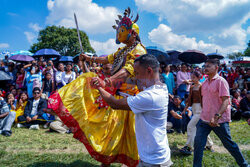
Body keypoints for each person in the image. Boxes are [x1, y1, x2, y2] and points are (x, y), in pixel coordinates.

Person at [46, 8, 147, 166]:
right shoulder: (123, 49)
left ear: (133, 33)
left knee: (129, 137)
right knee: (109, 132)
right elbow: (107, 59)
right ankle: (105, 161)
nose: (118, 33)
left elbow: (128, 70)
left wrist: (108, 81)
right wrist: (88, 58)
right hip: (117, 95)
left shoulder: (138, 50)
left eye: (122, 30)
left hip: (130, 101)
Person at [91, 54, 173, 167]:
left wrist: (99, 87)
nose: (136, 77)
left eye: (137, 73)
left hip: (154, 161)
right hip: (154, 155)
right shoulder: (161, 87)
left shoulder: (150, 96)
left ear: (149, 70)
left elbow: (114, 104)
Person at [193, 59, 248, 167]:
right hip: (204, 120)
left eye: (209, 66)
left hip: (219, 121)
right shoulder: (204, 83)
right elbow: (204, 100)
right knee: (198, 144)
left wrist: (217, 116)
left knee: (229, 144)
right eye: (205, 66)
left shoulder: (221, 81)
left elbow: (226, 101)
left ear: (216, 67)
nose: (206, 68)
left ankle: (244, 165)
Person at [180, 71, 213, 155]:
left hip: (200, 110)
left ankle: (189, 146)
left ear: (199, 77)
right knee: (201, 128)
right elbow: (189, 100)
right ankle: (209, 144)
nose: (192, 79)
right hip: (194, 109)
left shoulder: (202, 86)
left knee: (190, 126)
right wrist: (185, 109)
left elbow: (206, 99)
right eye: (191, 77)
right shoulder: (192, 87)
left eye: (194, 77)